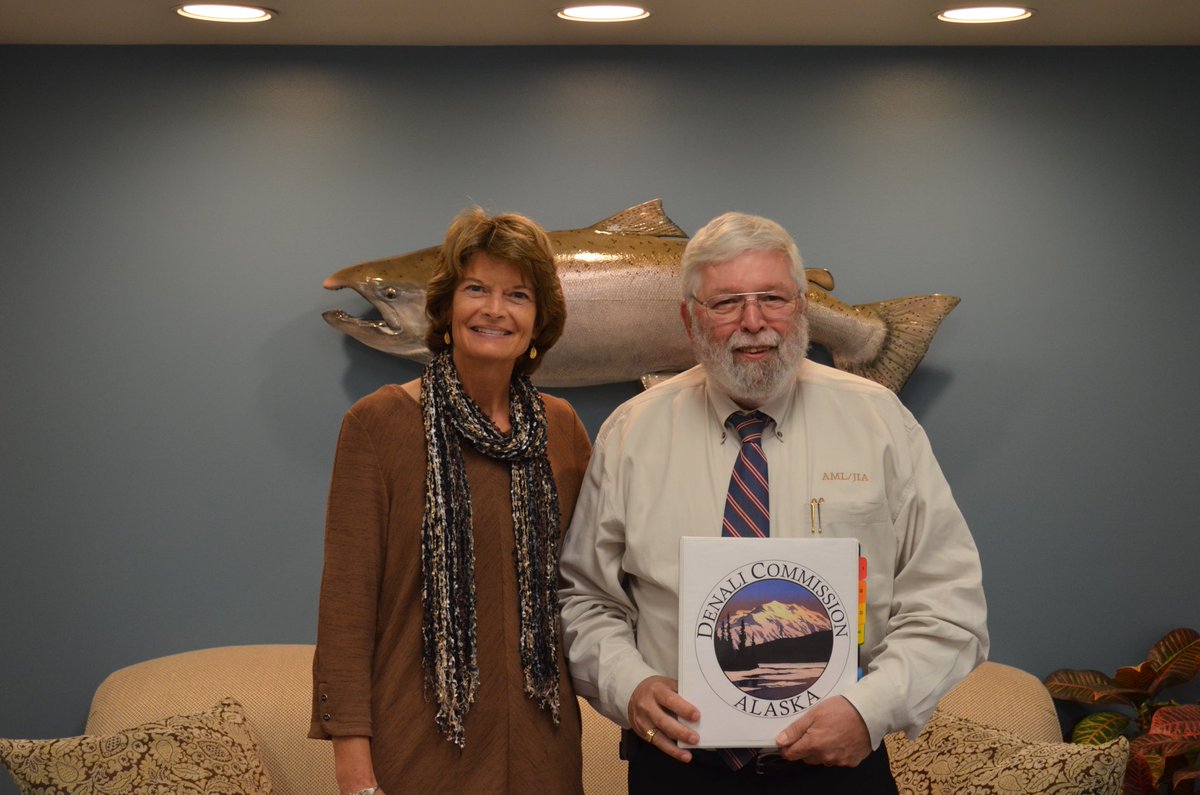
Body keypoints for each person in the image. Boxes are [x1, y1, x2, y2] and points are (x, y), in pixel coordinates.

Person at [558, 211, 988, 793]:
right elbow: (585, 599)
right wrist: (627, 685)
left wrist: (870, 710)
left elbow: (948, 601)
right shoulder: (631, 433)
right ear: (688, 319)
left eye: (773, 298)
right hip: (679, 769)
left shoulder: (881, 423)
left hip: (839, 770)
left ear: (803, 307)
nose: (753, 322)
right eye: (726, 303)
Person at [310, 208, 592, 795]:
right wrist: (353, 765)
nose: (495, 309)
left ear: (539, 320)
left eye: (518, 295)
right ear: (446, 307)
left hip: (543, 747)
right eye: (476, 289)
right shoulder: (378, 423)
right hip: (420, 743)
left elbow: (589, 583)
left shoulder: (561, 428)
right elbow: (347, 605)